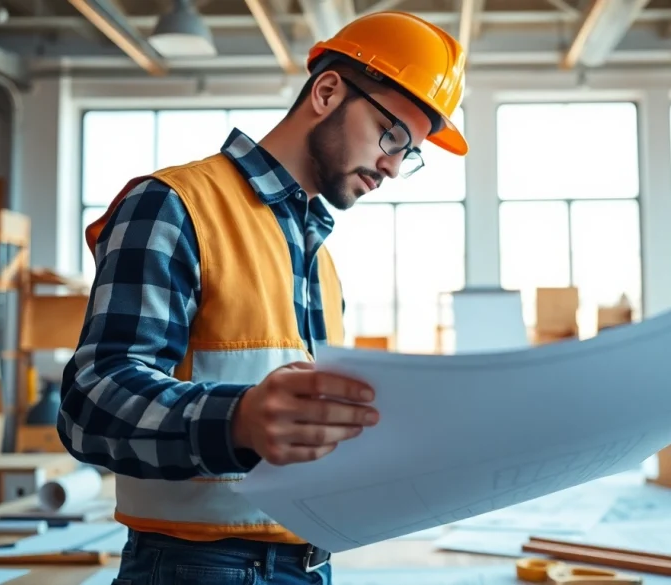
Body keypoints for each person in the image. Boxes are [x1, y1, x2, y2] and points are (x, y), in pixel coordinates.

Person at [57, 11, 468, 585]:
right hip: (193, 567)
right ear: (327, 92)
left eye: (410, 153)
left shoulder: (320, 262)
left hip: (311, 562)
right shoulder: (174, 205)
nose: (393, 167)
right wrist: (239, 420)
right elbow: (90, 405)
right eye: (392, 135)